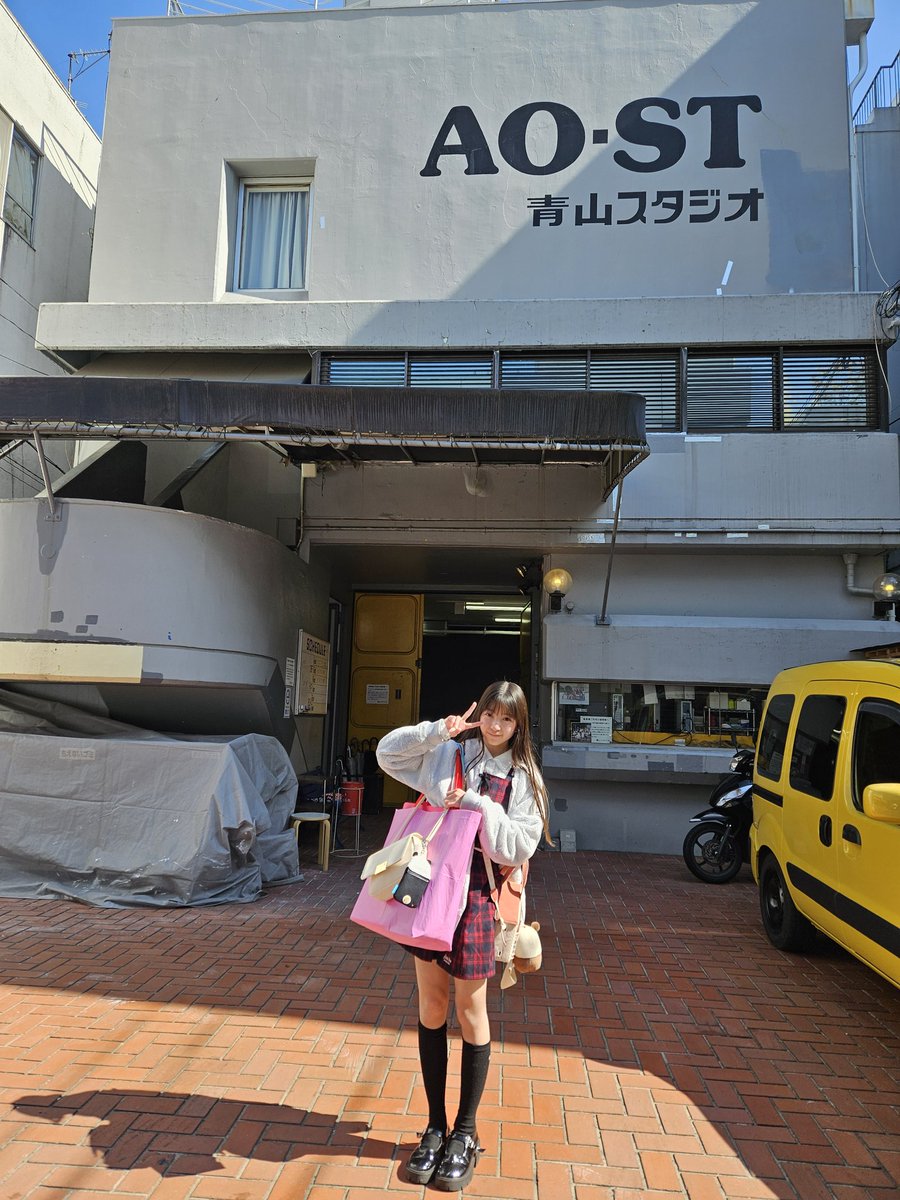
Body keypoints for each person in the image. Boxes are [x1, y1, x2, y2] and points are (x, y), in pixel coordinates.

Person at [375, 680, 550, 1192]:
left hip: (477, 896)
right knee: (431, 1005)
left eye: (507, 719)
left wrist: (475, 803)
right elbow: (387, 755)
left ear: (519, 726)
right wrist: (436, 731)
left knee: (472, 1011)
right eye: (490, 714)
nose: (495, 725)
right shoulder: (449, 753)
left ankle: (465, 1132)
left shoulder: (525, 778)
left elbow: (517, 848)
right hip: (432, 887)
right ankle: (435, 1125)